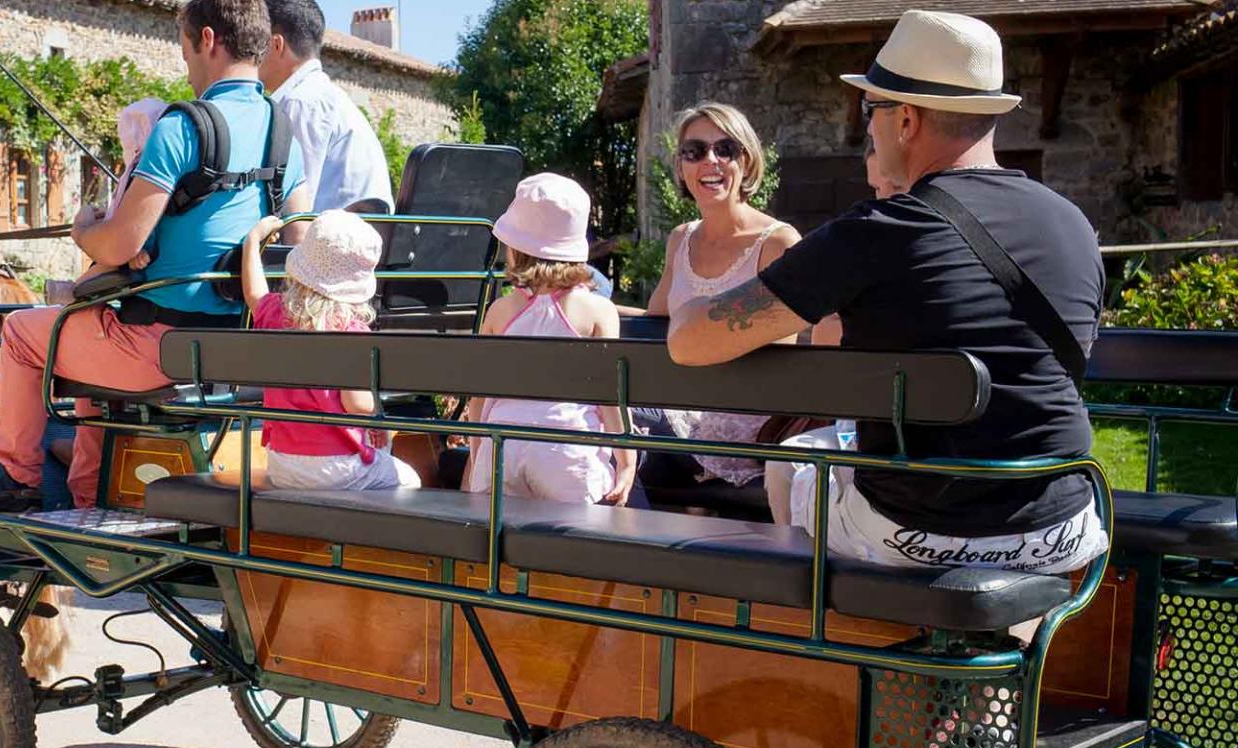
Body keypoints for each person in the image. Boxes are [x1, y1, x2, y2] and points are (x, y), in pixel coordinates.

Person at [668, 9, 1109, 576]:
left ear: (904, 120)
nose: (867, 127)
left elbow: (689, 343)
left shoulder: (880, 231)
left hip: (917, 530)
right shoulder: (1073, 223)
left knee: (793, 468)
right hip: (1060, 525)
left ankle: (823, 648)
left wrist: (694, 307)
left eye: (869, 110)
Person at [0, 0, 308, 510]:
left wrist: (85, 229)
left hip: (160, 350)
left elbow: (121, 244)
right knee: (86, 333)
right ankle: (89, 491)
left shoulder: (182, 127)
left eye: (184, 52)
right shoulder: (283, 133)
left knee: (23, 331)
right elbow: (297, 245)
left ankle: (14, 481)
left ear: (207, 39)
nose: (188, 66)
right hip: (240, 348)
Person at [645, 103, 807, 493]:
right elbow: (654, 320)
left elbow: (780, 350)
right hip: (681, 411)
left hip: (743, 423)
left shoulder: (778, 243)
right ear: (682, 166)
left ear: (746, 162)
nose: (710, 161)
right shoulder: (680, 239)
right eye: (695, 151)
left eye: (726, 149)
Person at [463, 174, 634, 505]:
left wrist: (477, 456)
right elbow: (610, 397)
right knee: (574, 546)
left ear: (514, 248)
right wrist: (627, 462)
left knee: (502, 548)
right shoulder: (597, 311)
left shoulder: (500, 311)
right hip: (566, 448)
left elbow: (478, 399)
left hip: (502, 447)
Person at [239, 209, 419, 489]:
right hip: (337, 466)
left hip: (282, 464)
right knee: (409, 480)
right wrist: (377, 416)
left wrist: (252, 242)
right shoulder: (352, 332)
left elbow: (254, 293)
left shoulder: (275, 313)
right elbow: (357, 405)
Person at [260, 0, 394, 217]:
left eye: (257, 43)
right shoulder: (327, 96)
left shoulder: (301, 103)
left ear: (276, 45)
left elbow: (296, 209)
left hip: (331, 244)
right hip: (356, 240)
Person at [49, 97, 167, 304]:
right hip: (137, 244)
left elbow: (146, 215)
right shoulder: (161, 165)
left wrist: (135, 248)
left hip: (134, 248)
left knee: (107, 263)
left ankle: (75, 291)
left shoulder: (144, 170)